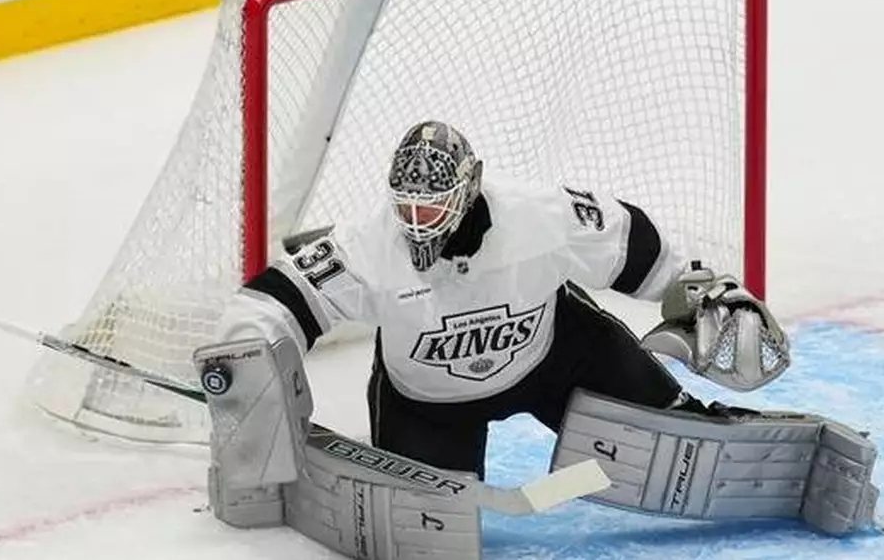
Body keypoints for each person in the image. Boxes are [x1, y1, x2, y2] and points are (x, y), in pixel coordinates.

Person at [214, 120, 786, 480]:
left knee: (680, 439)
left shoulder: (540, 215)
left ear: (469, 185)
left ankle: (703, 429)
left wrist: (703, 291)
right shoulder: (368, 244)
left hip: (559, 361)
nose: (417, 222)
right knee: (431, 528)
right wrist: (245, 356)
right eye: (407, 207)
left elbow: (631, 242)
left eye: (432, 206)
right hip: (428, 401)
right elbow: (275, 301)